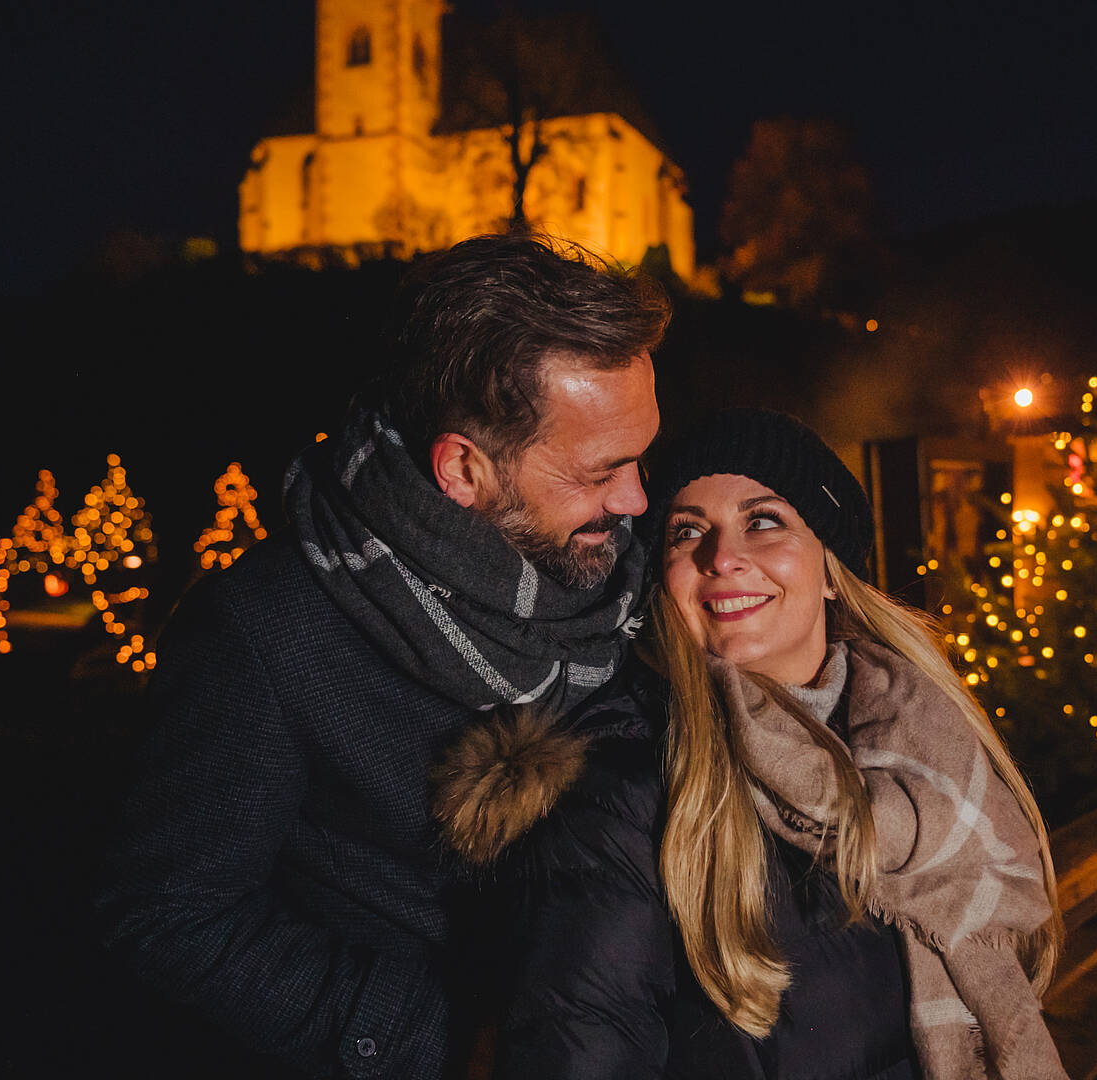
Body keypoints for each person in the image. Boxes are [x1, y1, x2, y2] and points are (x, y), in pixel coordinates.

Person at [97, 232, 670, 1079]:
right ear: (464, 471)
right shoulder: (270, 627)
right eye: (598, 473)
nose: (635, 500)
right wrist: (434, 1036)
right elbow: (168, 914)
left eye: (641, 457)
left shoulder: (648, 582)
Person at [435, 408, 1068, 1079]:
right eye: (686, 533)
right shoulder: (625, 801)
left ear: (829, 570)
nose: (722, 557)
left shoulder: (931, 748)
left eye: (762, 521)